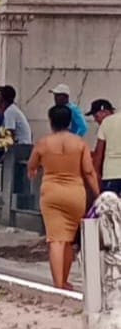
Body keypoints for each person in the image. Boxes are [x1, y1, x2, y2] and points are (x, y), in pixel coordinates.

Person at [28, 105, 98, 290]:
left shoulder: (43, 143)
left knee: (56, 239)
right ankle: (65, 281)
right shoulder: (80, 143)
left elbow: (32, 165)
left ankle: (58, 283)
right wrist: (98, 195)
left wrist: (33, 171)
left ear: (51, 122)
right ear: (69, 122)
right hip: (75, 193)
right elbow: (89, 171)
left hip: (51, 193)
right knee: (68, 239)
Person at [90, 99, 121, 194]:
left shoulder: (107, 122)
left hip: (111, 175)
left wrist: (96, 180)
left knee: (111, 207)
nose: (95, 119)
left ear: (105, 111)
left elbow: (98, 156)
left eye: (96, 116)